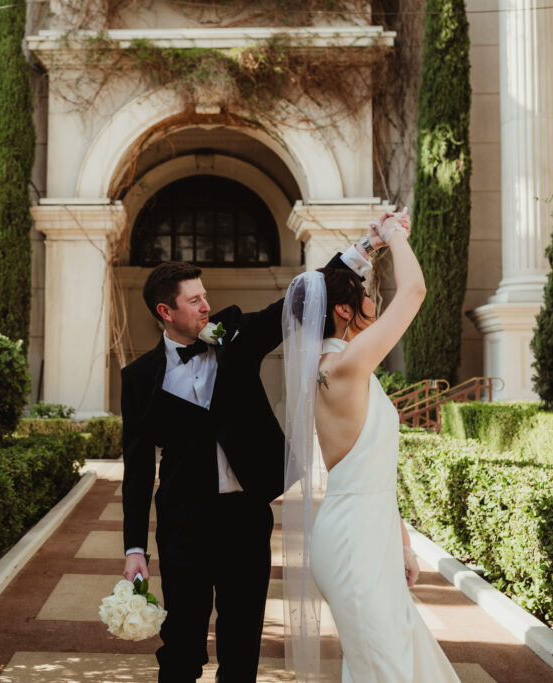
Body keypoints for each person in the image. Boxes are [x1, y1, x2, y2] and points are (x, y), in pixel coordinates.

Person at [120, 228, 384, 683]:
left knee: (241, 645)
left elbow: (297, 302)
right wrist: (134, 548)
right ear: (166, 312)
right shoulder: (138, 378)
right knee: (182, 642)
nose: (205, 305)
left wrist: (363, 249)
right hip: (183, 524)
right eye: (193, 300)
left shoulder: (234, 336)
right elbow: (138, 468)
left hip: (245, 517)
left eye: (205, 296)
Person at [282, 211, 460, 682]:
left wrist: (403, 545)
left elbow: (372, 470)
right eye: (364, 293)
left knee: (396, 657)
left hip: (370, 532)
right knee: (385, 665)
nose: (372, 299)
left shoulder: (342, 366)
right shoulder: (344, 368)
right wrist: (397, 236)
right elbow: (415, 292)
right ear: (343, 310)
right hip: (353, 543)